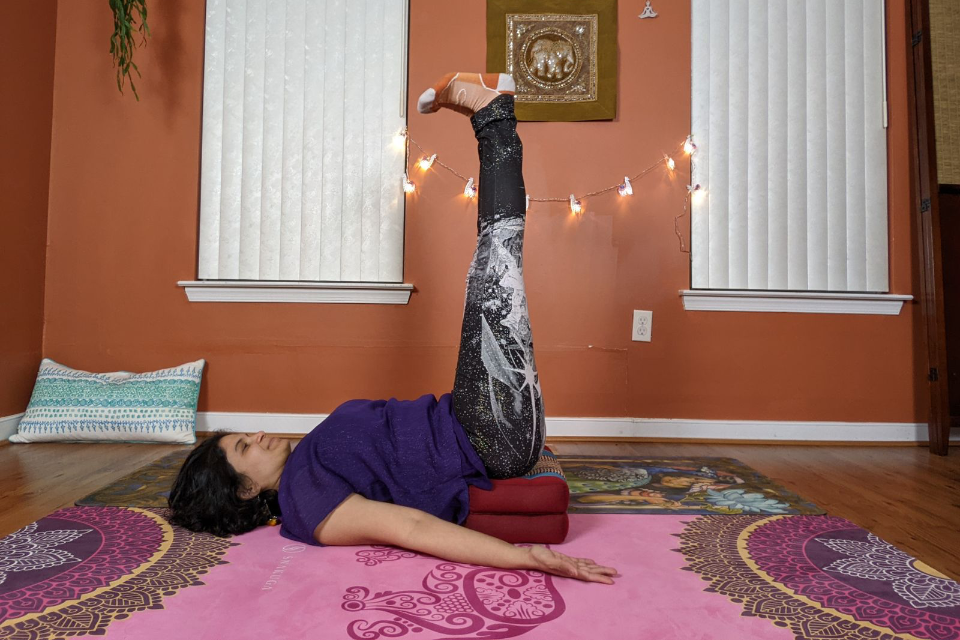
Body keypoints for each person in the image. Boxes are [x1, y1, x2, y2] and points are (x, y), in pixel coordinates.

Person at [169, 73, 617, 586]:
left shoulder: (306, 465)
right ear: (245, 490)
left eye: (244, 436)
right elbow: (410, 527)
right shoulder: (306, 504)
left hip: (473, 417)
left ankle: (493, 113)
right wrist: (529, 559)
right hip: (489, 435)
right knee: (496, 263)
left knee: (494, 263)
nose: (258, 435)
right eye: (245, 448)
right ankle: (493, 114)